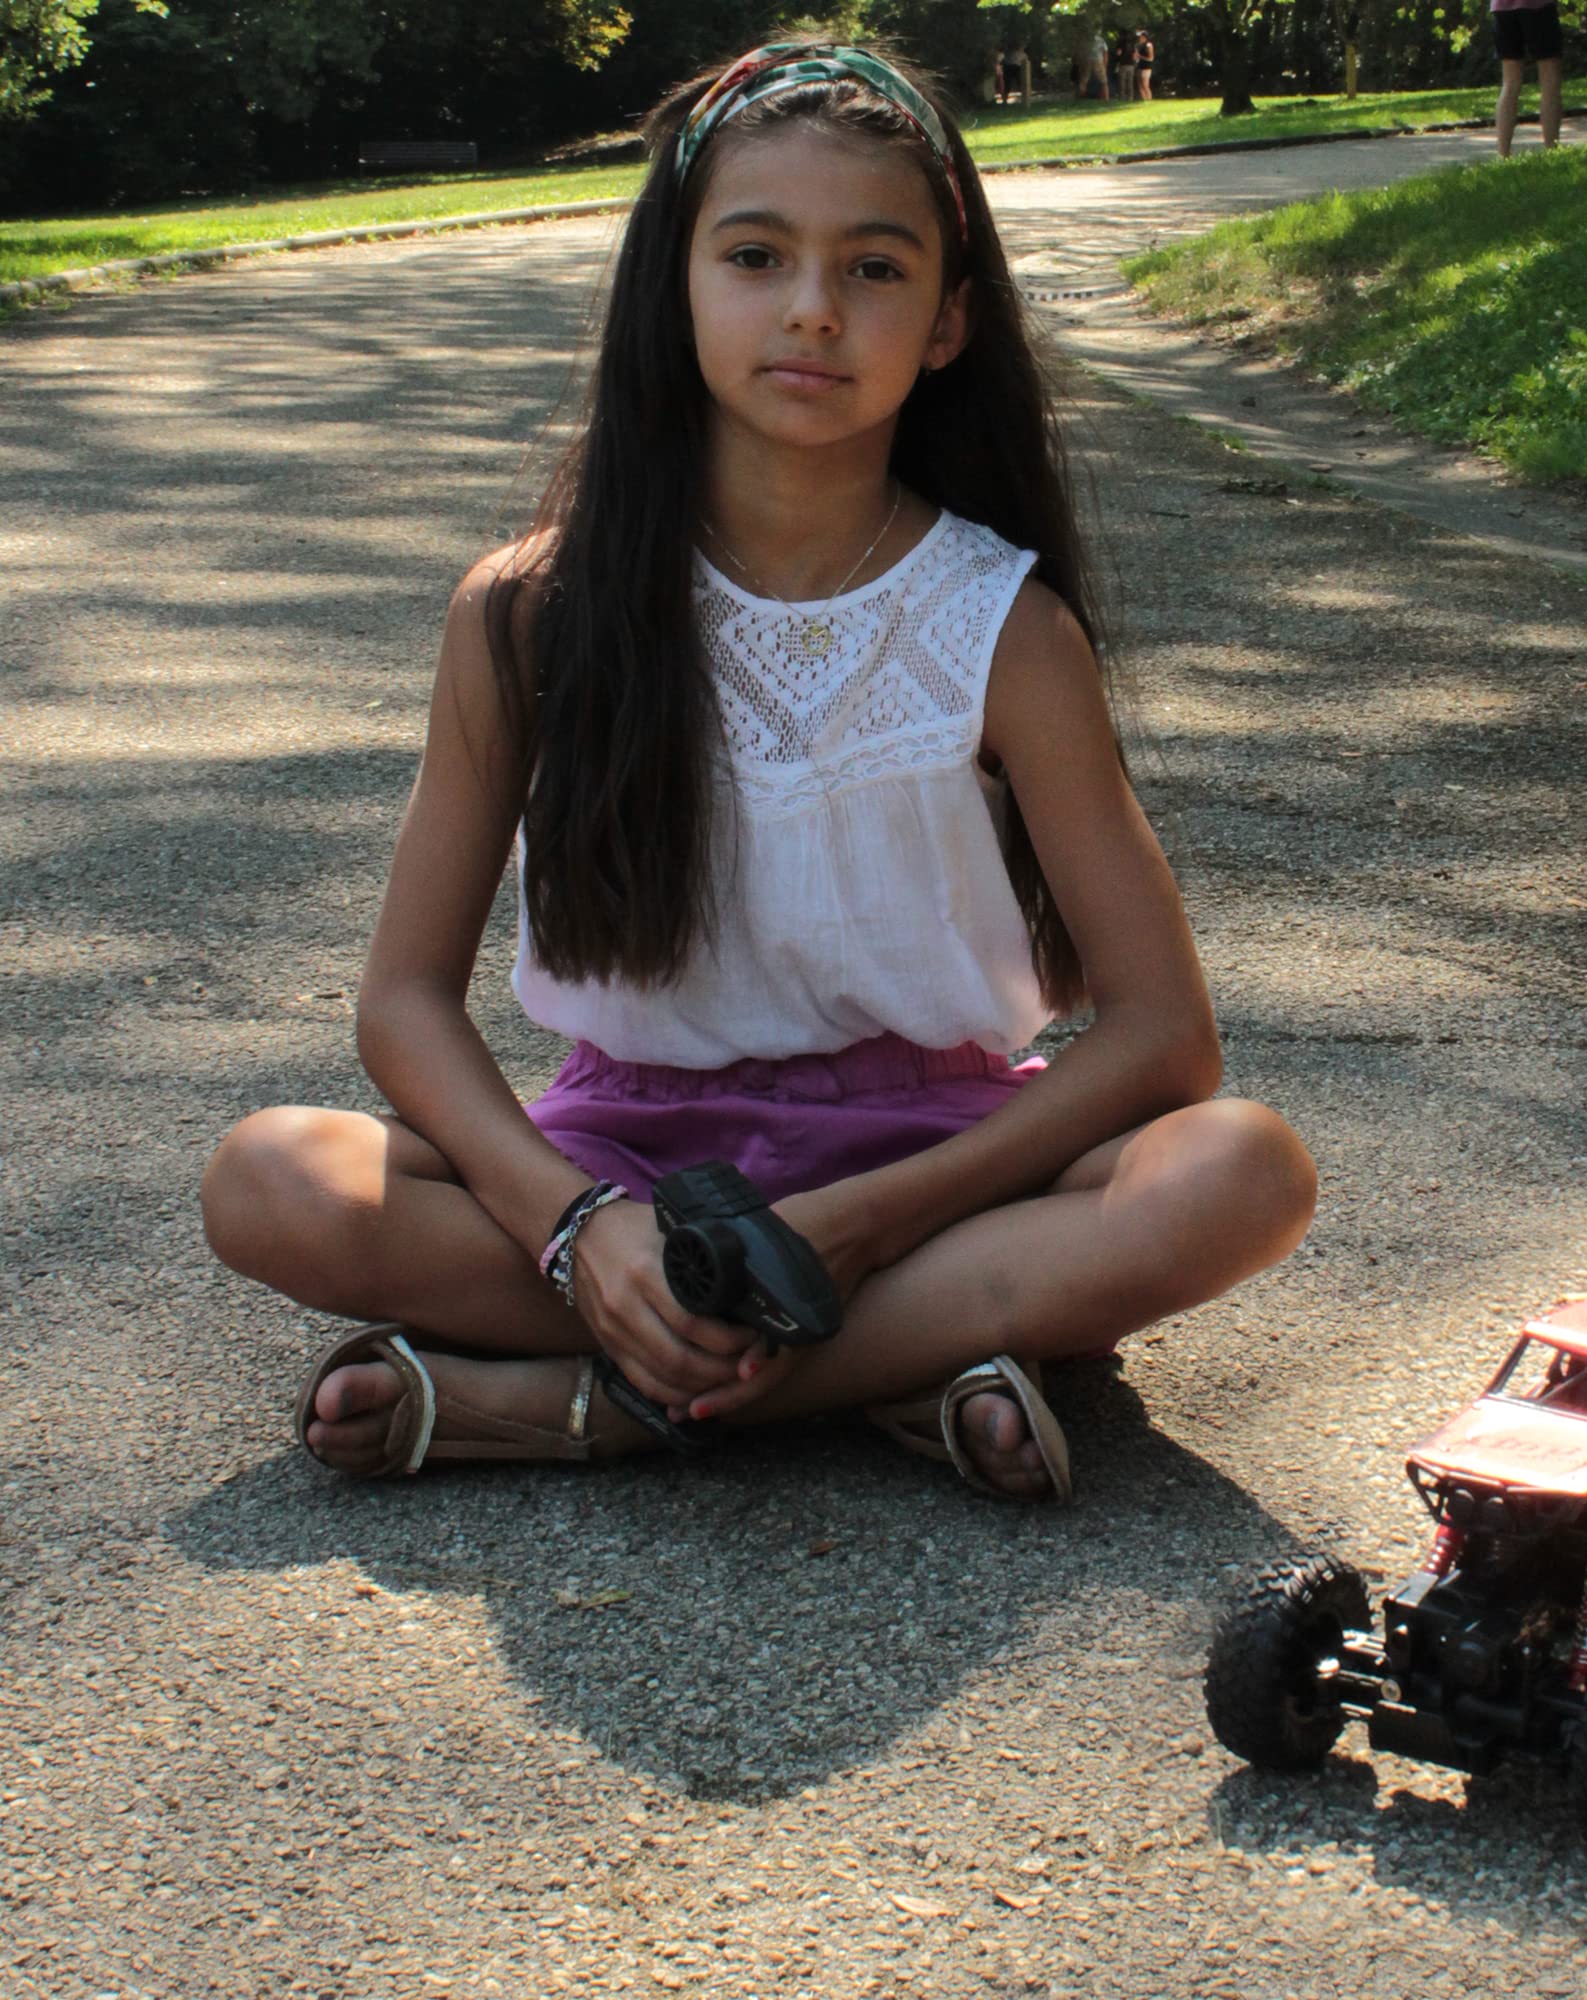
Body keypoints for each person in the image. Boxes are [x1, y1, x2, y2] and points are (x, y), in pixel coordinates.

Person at [200, 41, 1319, 1503]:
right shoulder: (526, 614)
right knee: (272, 1177)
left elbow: (1167, 1037)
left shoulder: (1005, 630)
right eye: (755, 254)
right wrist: (575, 1225)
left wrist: (857, 1224)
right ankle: (909, 1368)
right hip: (622, 1162)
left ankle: (588, 1409)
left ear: (946, 322)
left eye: (873, 269)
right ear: (676, 285)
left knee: (1243, 1172)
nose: (810, 308)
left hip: (933, 1174)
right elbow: (404, 1002)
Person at [1491, 0, 1562, 157]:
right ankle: (1552, 150)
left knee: (1510, 83)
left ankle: (1503, 154)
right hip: (1539, 7)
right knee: (1550, 81)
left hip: (1502, 8)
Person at [1114, 29, 1137, 102]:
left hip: (1123, 64)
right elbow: (1134, 55)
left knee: (1122, 82)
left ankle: (1122, 97)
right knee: (1130, 82)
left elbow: (1118, 53)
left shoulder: (1120, 43)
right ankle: (1130, 98)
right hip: (1131, 65)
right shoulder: (1132, 44)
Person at [1134, 27, 1155, 102]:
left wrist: (1140, 56)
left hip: (1146, 68)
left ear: (1144, 37)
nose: (1139, 38)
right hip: (1139, 67)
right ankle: (1144, 100)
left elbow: (1151, 58)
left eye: (1140, 36)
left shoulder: (1148, 45)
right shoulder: (1138, 45)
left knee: (1145, 85)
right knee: (1140, 85)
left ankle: (1149, 100)